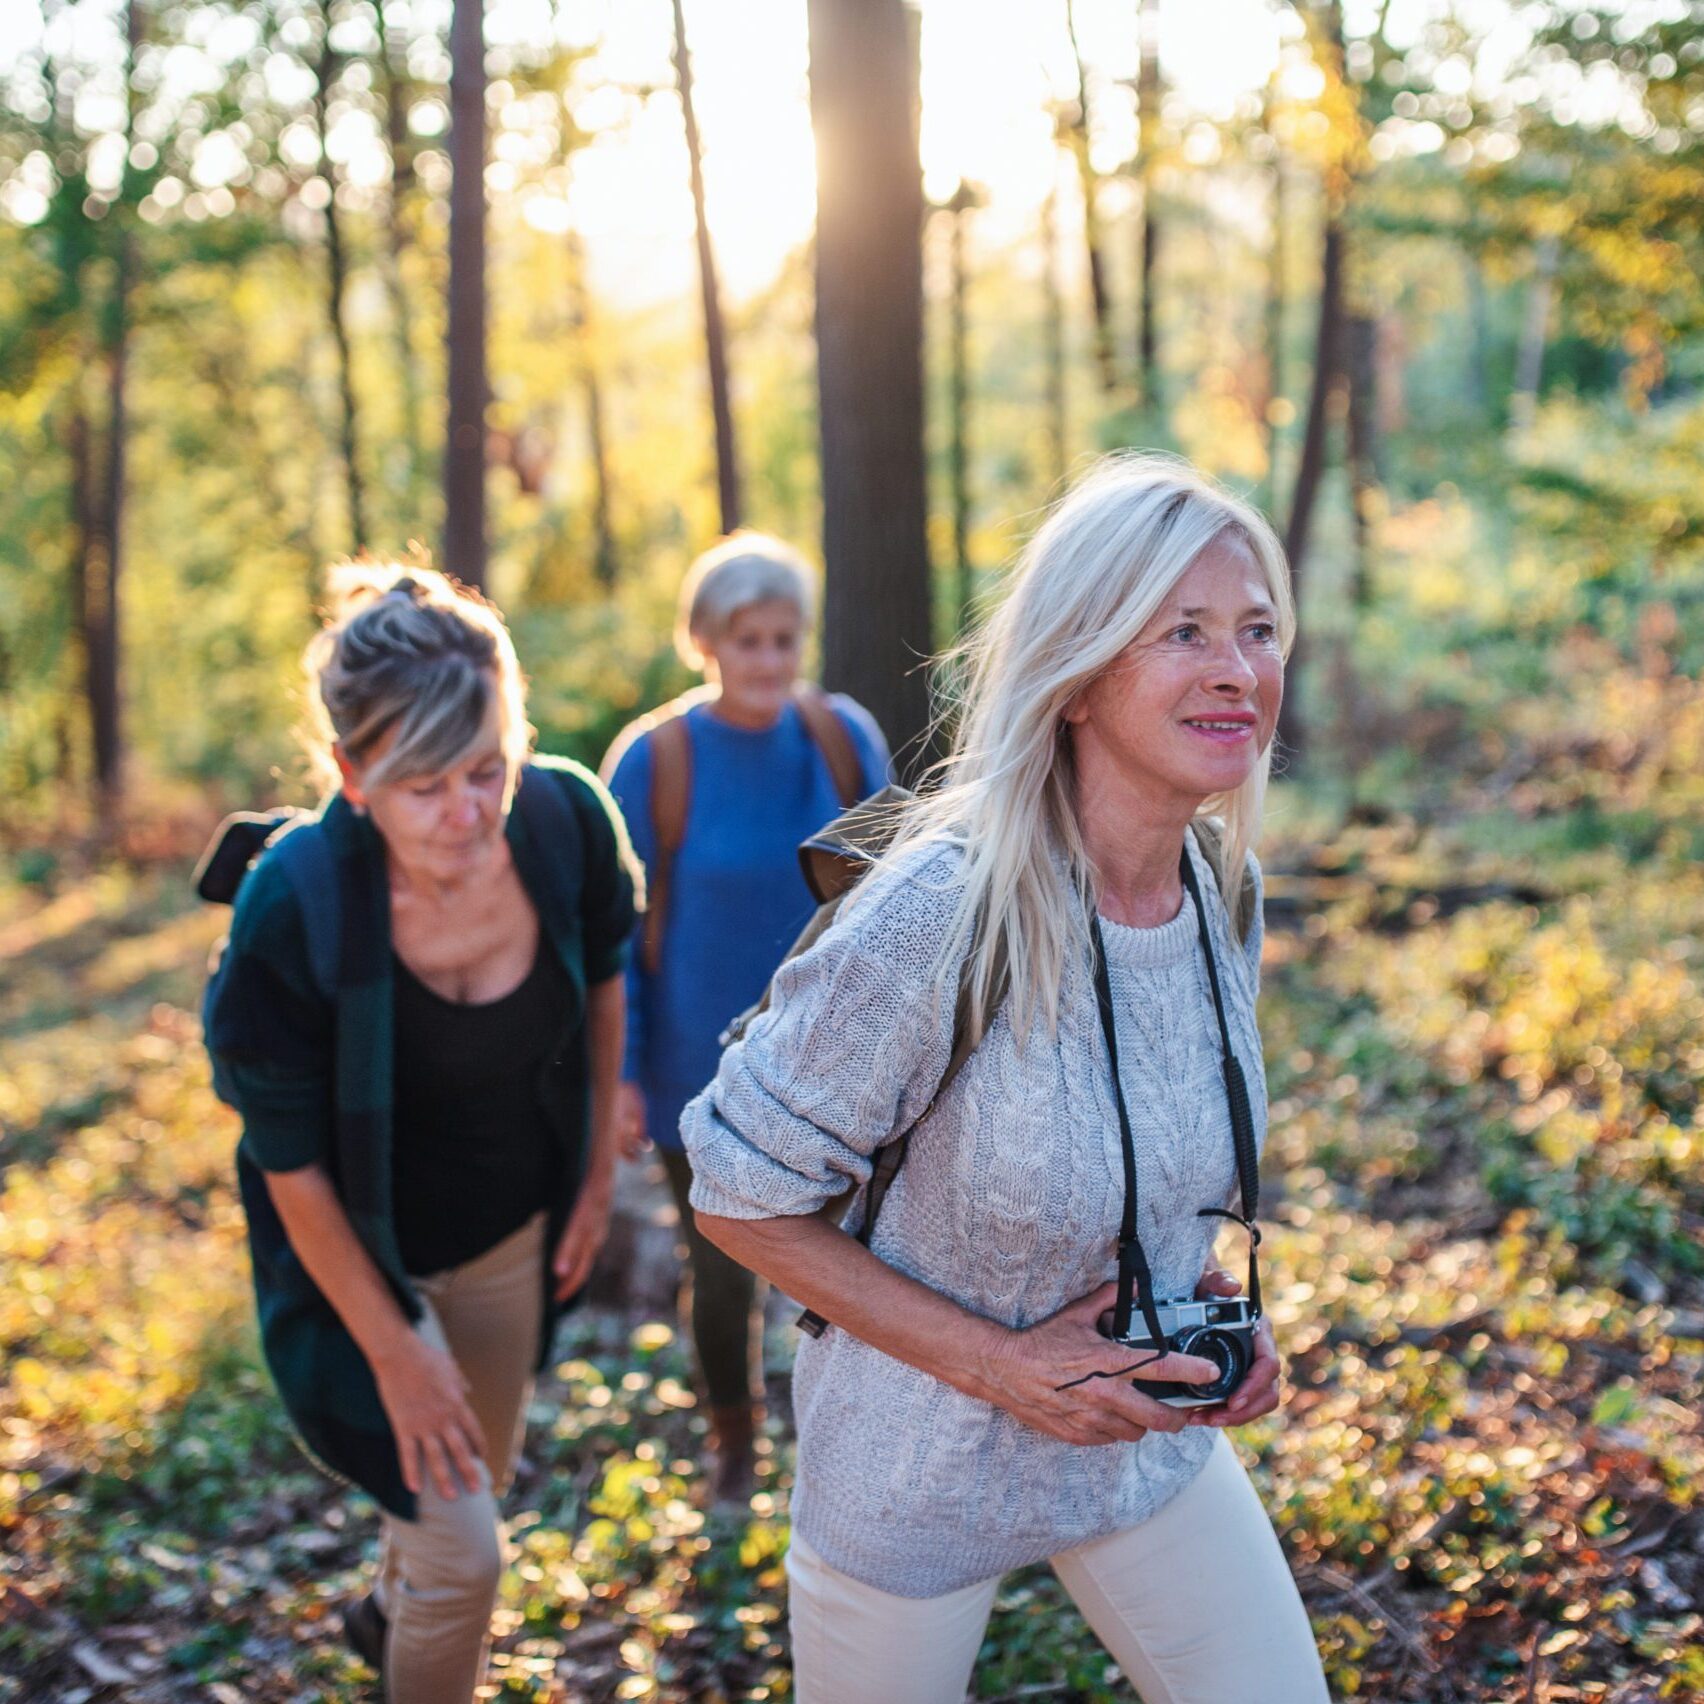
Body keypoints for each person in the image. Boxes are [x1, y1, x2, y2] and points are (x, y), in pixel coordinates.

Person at [680, 456, 1331, 1703]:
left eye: (1256, 631)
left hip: (1139, 1448)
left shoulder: (1218, 892)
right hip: (911, 1480)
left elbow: (1151, 1145)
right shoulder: (939, 913)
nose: (1235, 669)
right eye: (1180, 632)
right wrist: (1001, 1364)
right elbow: (731, 1189)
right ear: (1079, 674)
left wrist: (1208, 1308)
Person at [204, 566, 639, 1704]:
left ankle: (386, 1618)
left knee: (466, 1481)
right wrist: (398, 1349)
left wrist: (594, 1174)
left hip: (510, 1230)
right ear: (351, 778)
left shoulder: (565, 824)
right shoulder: (294, 904)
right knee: (465, 1552)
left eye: (488, 768)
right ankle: (419, 1623)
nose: (468, 812)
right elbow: (285, 1160)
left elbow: (602, 989)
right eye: (426, 786)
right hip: (355, 1256)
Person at [601, 533, 889, 1508]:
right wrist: (623, 1073)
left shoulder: (843, 740)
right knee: (726, 1270)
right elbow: (615, 935)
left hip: (838, 1062)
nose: (769, 660)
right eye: (748, 640)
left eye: (784, 639)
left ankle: (844, 1451)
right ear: (708, 643)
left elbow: (902, 899)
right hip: (701, 1070)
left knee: (853, 1268)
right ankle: (733, 1442)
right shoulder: (656, 761)